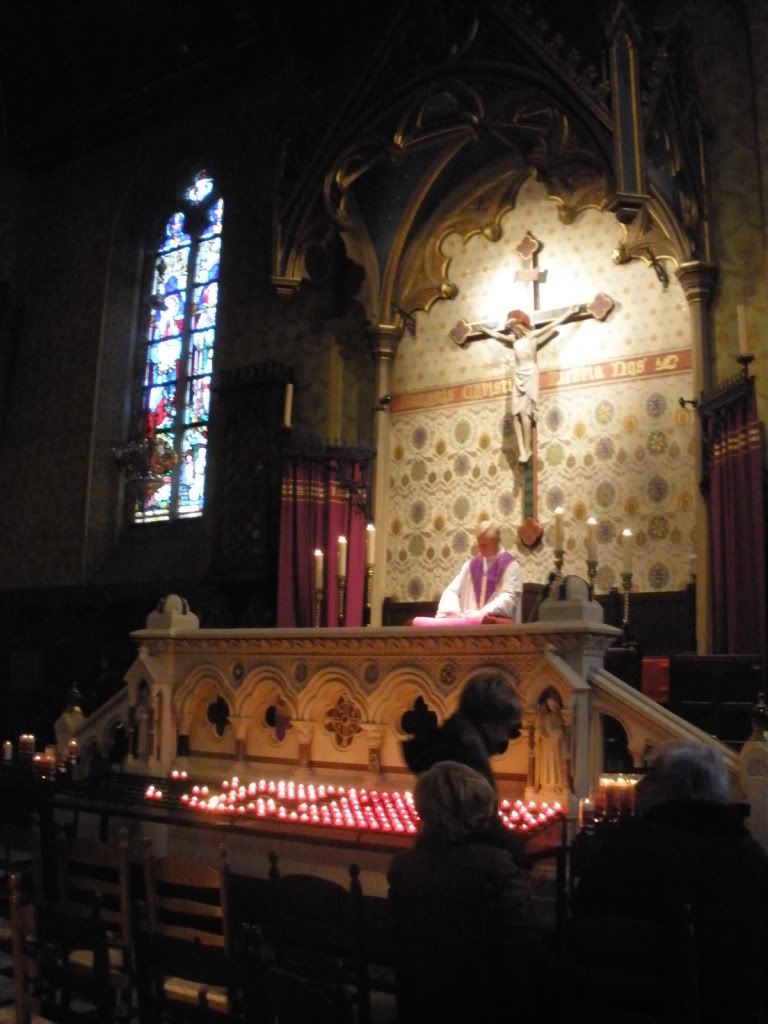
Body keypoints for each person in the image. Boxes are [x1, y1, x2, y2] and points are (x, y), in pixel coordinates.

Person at [572, 740, 768, 1023]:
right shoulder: (748, 859)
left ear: (685, 789)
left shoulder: (627, 850)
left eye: (652, 777)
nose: (639, 787)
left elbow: (584, 921)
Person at [387, 761, 551, 1024]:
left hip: (422, 1001)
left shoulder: (403, 865)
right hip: (485, 1003)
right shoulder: (494, 865)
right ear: (475, 814)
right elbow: (525, 946)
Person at [453, 305, 580, 462]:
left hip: (530, 373)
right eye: (509, 328)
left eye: (511, 327)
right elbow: (497, 336)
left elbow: (551, 325)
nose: (510, 331)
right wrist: (483, 329)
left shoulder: (532, 336)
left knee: (525, 413)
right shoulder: (513, 340)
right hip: (518, 374)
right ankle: (522, 450)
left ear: (518, 325)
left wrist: (569, 313)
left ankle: (527, 449)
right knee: (515, 413)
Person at [436, 519, 522, 622]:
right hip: (470, 625)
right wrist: (452, 612)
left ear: (496, 542)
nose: (480, 549)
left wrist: (483, 613)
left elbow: (509, 596)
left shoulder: (510, 565)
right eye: (479, 544)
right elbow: (452, 591)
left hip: (497, 626)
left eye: (484, 545)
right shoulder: (471, 565)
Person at [535, 694, 566, 793]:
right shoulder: (546, 717)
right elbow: (541, 730)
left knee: (555, 764)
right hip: (547, 744)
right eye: (549, 705)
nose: (551, 707)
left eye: (553, 705)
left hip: (555, 744)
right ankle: (546, 785)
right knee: (547, 764)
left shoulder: (560, 717)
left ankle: (556, 785)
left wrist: (554, 733)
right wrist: (543, 734)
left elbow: (561, 731)